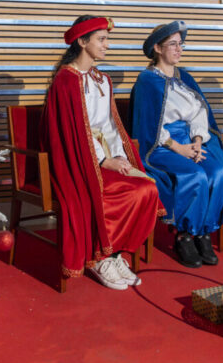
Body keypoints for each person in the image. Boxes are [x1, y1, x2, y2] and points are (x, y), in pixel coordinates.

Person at [40, 15, 161, 290]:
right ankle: (99, 257)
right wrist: (104, 162)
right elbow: (71, 134)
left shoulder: (102, 79)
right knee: (124, 192)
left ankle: (115, 252)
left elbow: (110, 127)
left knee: (147, 187)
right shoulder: (66, 80)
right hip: (75, 160)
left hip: (103, 155)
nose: (107, 45)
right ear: (82, 42)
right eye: (101, 39)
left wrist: (120, 159)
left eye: (107, 39)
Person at [130, 21, 223, 268]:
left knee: (219, 171)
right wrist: (178, 148)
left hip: (191, 141)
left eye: (181, 44)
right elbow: (147, 126)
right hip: (161, 146)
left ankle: (203, 232)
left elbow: (201, 114)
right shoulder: (147, 81)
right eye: (173, 44)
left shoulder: (185, 77)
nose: (179, 49)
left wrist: (198, 142)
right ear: (157, 48)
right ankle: (185, 235)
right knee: (195, 174)